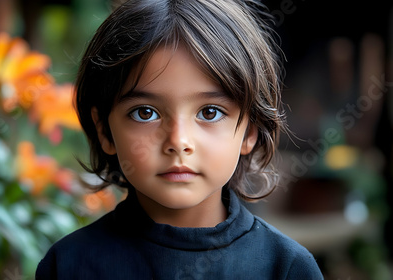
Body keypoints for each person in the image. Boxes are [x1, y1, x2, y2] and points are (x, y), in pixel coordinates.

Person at [36, 0, 324, 278]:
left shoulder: (286, 268)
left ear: (249, 131)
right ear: (105, 131)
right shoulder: (69, 265)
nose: (178, 141)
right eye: (145, 113)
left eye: (210, 112)